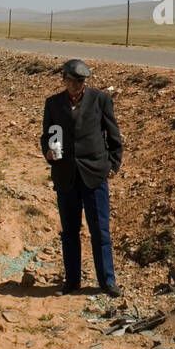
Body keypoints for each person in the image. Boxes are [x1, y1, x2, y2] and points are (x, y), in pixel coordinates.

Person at [40, 59, 124, 295]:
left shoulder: (101, 100)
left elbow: (114, 136)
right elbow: (47, 136)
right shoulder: (53, 103)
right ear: (63, 79)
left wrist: (113, 165)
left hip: (95, 174)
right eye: (73, 80)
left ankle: (107, 282)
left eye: (81, 81)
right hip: (66, 176)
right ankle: (72, 281)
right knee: (69, 232)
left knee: (100, 231)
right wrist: (48, 151)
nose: (77, 85)